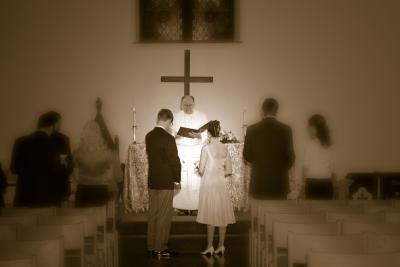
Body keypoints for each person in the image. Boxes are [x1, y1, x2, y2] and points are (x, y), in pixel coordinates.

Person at [196, 120, 236, 256]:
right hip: (220, 183)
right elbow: (229, 170)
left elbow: (201, 170)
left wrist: (200, 169)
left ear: (208, 133)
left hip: (209, 183)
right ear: (219, 132)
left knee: (210, 214)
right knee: (222, 213)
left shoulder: (206, 148)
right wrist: (219, 172)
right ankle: (221, 245)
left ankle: (209, 246)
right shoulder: (225, 148)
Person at [243, 98, 295, 199]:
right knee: (280, 213)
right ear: (276, 111)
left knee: (258, 214)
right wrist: (281, 169)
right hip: (280, 183)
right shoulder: (286, 130)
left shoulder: (252, 129)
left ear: (262, 111)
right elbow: (291, 157)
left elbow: (247, 156)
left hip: (259, 182)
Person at [146, 109, 181, 258]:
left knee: (153, 213)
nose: (170, 126)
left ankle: (151, 245)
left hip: (153, 180)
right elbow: (174, 161)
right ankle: (160, 248)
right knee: (164, 216)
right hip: (166, 181)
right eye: (171, 123)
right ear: (168, 120)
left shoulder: (149, 136)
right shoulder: (168, 138)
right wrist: (177, 179)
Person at [10, 112, 62, 207]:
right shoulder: (54, 145)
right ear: (51, 126)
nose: (60, 127)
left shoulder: (20, 141)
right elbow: (57, 170)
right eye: (59, 124)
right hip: (47, 198)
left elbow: (14, 169)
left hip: (24, 197)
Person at [72, 120, 122, 207]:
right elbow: (119, 177)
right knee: (99, 218)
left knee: (81, 220)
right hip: (101, 192)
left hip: (82, 193)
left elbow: (74, 177)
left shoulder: (76, 153)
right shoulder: (110, 154)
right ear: (99, 134)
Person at [172, 95, 208, 213]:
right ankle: (179, 206)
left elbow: (208, 134)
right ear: (181, 104)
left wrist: (200, 135)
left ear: (194, 104)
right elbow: (170, 133)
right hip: (181, 151)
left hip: (196, 151)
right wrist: (175, 135)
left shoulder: (202, 116)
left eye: (190, 105)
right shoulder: (175, 117)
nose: (188, 107)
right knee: (182, 178)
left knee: (196, 179)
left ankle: (196, 207)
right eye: (185, 105)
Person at [303, 114, 335, 200]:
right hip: (327, 184)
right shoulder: (329, 145)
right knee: (326, 212)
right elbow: (332, 170)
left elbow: (305, 168)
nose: (309, 131)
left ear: (315, 129)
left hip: (312, 184)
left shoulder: (310, 144)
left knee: (312, 212)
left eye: (309, 129)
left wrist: (303, 186)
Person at [50, 111, 73, 205]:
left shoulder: (34, 141)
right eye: (59, 123)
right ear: (55, 123)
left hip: (41, 187)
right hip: (60, 185)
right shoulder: (63, 139)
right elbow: (69, 164)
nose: (60, 125)